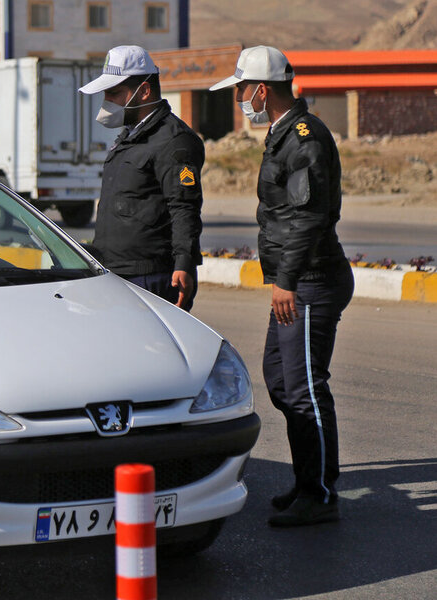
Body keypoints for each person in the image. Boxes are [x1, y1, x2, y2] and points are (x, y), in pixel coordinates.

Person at [210, 46, 354, 527]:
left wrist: (286, 280)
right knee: (280, 380)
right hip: (299, 280)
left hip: (312, 281)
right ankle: (310, 479)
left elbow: (309, 216)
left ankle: (320, 494)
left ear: (261, 89)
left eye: (239, 89)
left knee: (304, 389)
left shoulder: (305, 138)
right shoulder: (281, 135)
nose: (236, 98)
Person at [78, 45, 204, 311]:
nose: (107, 101)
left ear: (144, 91)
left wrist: (184, 264)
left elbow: (184, 208)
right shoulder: (130, 136)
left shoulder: (173, 140)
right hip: (116, 274)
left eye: (114, 93)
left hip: (150, 278)